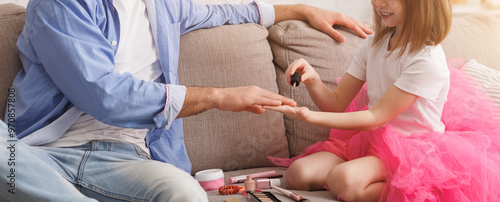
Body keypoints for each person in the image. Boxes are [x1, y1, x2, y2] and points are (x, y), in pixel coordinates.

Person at [0, 0, 373, 201]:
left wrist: (301, 10)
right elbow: (105, 95)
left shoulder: (165, 6)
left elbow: (228, 12)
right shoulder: (59, 5)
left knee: (184, 193)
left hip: (125, 158)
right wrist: (216, 96)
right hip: (42, 152)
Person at [266, 0, 500, 201]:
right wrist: (313, 79)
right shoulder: (374, 44)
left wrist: (310, 116)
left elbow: (375, 116)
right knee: (298, 175)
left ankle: (422, 187)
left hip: (410, 148)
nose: (378, 4)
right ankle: (362, 174)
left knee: (343, 180)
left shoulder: (426, 59)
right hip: (370, 140)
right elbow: (337, 103)